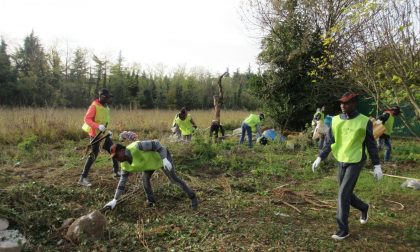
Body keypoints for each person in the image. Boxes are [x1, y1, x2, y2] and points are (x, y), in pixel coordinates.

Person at [311, 92, 383, 241]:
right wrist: (320, 157)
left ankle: (342, 230)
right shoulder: (336, 120)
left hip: (356, 160)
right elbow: (329, 141)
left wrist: (377, 165)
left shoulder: (364, 121)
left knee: (342, 194)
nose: (343, 106)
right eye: (341, 103)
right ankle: (364, 207)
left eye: (347, 103)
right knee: (346, 194)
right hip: (341, 160)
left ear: (354, 104)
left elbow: (370, 144)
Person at [104, 140, 198, 210]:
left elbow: (157, 144)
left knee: (173, 179)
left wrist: (165, 159)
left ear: (122, 151)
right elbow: (122, 182)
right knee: (145, 180)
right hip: (149, 165)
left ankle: (193, 197)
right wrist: (115, 199)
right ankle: (151, 201)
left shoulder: (137, 146)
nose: (116, 159)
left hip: (161, 158)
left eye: (116, 156)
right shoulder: (124, 164)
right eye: (114, 157)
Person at [79, 88, 120, 187]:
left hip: (103, 134)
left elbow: (104, 121)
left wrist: (107, 131)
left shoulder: (106, 106)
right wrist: (98, 126)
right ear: (101, 96)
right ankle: (82, 178)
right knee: (94, 154)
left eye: (109, 97)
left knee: (113, 148)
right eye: (107, 98)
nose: (108, 99)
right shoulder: (94, 106)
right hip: (94, 134)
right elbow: (87, 119)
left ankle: (116, 171)